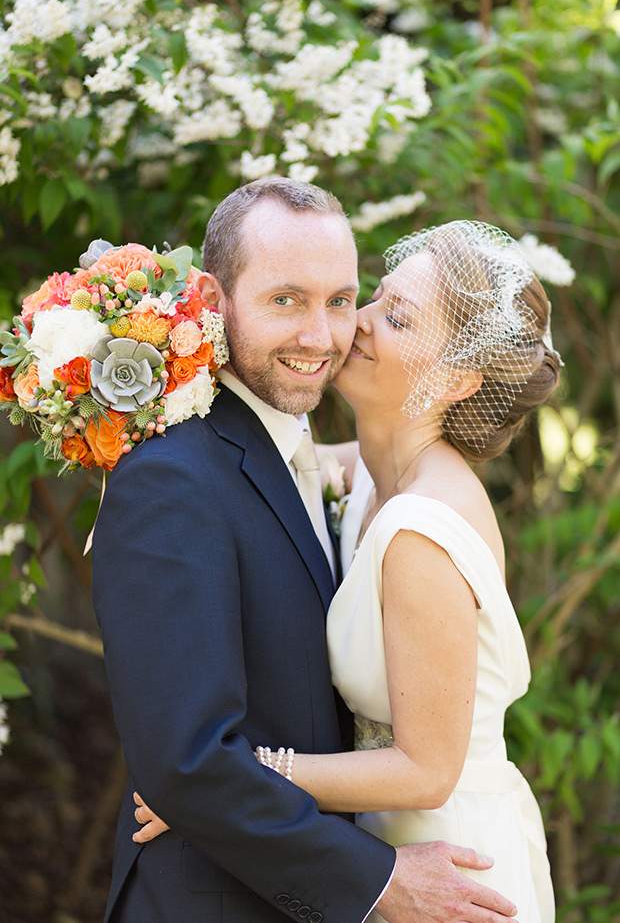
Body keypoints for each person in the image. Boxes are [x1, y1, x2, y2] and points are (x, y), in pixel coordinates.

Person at [91, 182, 519, 923]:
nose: (325, 336)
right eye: (285, 300)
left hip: (424, 866)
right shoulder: (172, 478)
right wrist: (379, 880)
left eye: (341, 299)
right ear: (214, 299)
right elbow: (187, 763)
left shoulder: (328, 464)